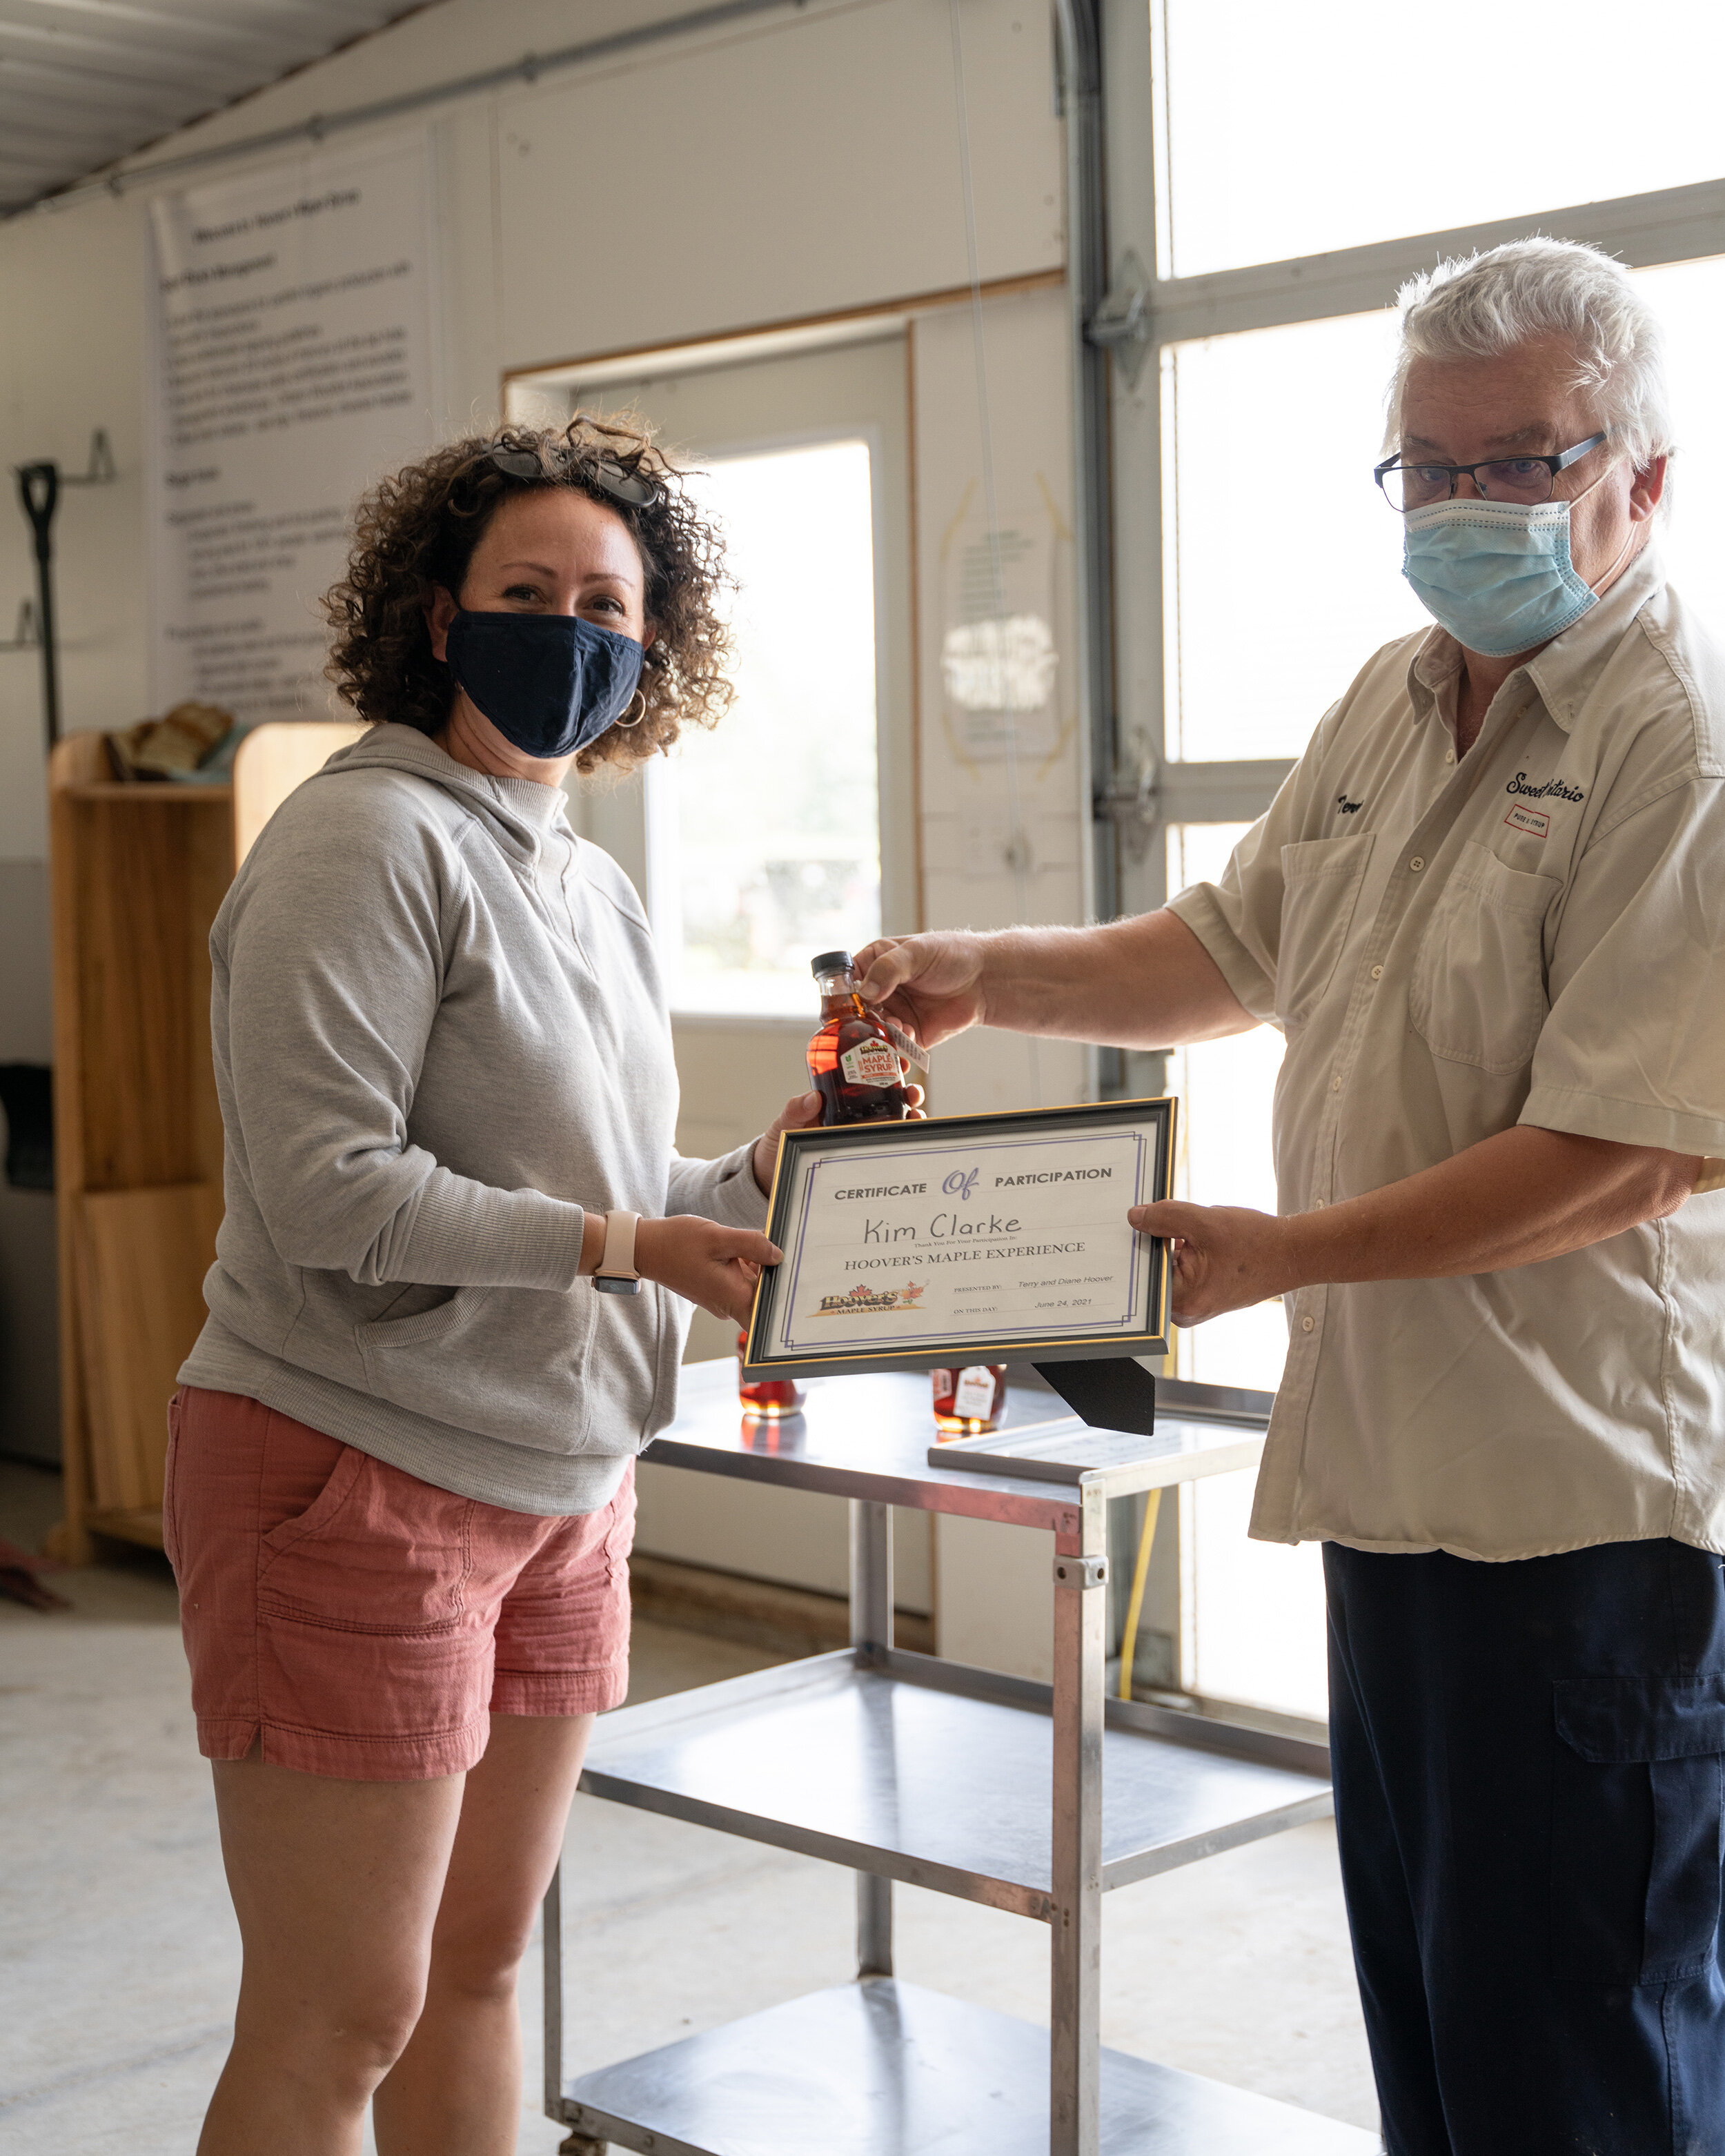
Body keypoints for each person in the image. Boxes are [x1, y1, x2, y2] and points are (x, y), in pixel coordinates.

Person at [856, 239, 1725, 2155]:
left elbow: (1624, 1151)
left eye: (1519, 460)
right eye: (1428, 465)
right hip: (1393, 1487)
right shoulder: (1391, 703)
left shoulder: (1679, 737)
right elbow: (1223, 949)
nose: (1464, 505)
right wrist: (987, 970)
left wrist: (1279, 1257)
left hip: (1577, 1516)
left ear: (1643, 478)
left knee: (1580, 2059)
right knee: (1441, 2038)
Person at [163, 417, 893, 2156]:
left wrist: (773, 1166)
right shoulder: (365, 842)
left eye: (607, 606)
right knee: (339, 2015)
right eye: (527, 594)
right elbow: (330, 1193)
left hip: (563, 1484)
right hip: (355, 1469)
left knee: (478, 1977)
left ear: (653, 642)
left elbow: (612, 1192)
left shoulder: (584, 877)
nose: (571, 632)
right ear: (437, 618)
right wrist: (630, 1248)